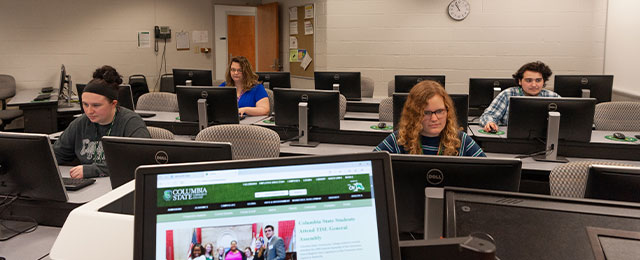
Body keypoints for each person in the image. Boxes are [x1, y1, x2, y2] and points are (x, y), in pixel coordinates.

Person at [53, 66, 151, 178]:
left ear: (113, 104)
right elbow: (55, 155)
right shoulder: (81, 123)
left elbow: (140, 159)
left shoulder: (131, 122)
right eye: (85, 104)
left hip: (120, 184)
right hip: (91, 186)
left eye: (96, 105)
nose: (89, 111)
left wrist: (92, 170)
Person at [375, 80, 485, 157]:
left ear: (447, 111)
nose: (434, 118)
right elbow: (371, 166)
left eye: (439, 111)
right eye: (426, 113)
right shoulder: (398, 140)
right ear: (414, 115)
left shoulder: (462, 141)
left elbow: (489, 173)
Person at [480, 61, 560, 132]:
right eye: (529, 80)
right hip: (511, 140)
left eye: (538, 80)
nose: (534, 85)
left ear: (543, 81)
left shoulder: (552, 96)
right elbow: (488, 115)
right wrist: (490, 123)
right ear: (520, 81)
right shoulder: (508, 94)